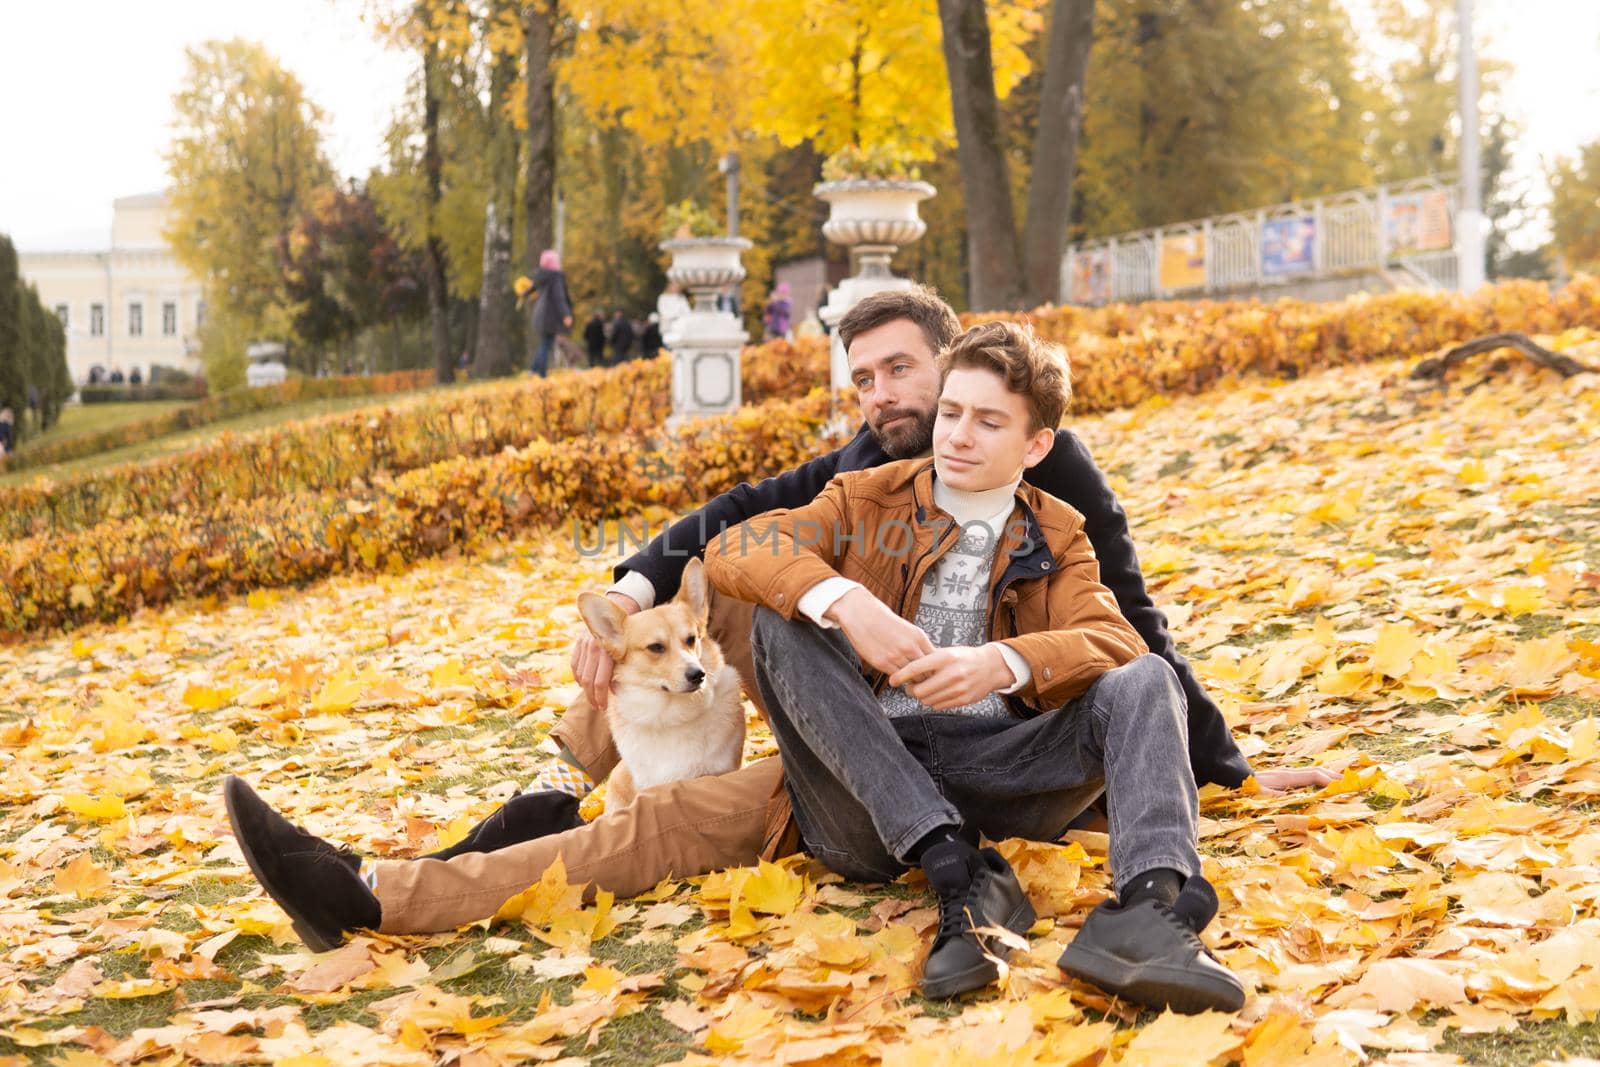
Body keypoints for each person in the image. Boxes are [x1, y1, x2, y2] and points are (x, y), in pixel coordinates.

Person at [222, 287, 1331, 965]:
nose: (894, 399)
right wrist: (637, 601)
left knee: (654, 825)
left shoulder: (1050, 485)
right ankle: (466, 838)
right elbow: (725, 535)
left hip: (981, 746)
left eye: (914, 376)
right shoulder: (862, 473)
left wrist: (1214, 763)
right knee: (681, 678)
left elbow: (1127, 628)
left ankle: (394, 882)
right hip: (843, 741)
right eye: (871, 382)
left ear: (1003, 411)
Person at [703, 321, 1242, 1009]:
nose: (957, 435)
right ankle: (955, 867)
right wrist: (845, 602)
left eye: (988, 422)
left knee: (1146, 678)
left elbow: (1116, 640)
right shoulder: (862, 497)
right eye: (951, 412)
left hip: (1004, 770)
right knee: (784, 616)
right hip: (866, 791)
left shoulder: (1059, 530)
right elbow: (736, 547)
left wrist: (1002, 663)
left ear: (1036, 443)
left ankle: (1148, 910)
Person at [529, 250, 574, 378]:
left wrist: (523, 293)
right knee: (546, 345)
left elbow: (531, 288)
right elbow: (559, 297)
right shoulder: (555, 277)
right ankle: (541, 374)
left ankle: (534, 370)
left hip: (539, 316)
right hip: (549, 317)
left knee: (544, 343)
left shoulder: (540, 276)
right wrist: (566, 314)